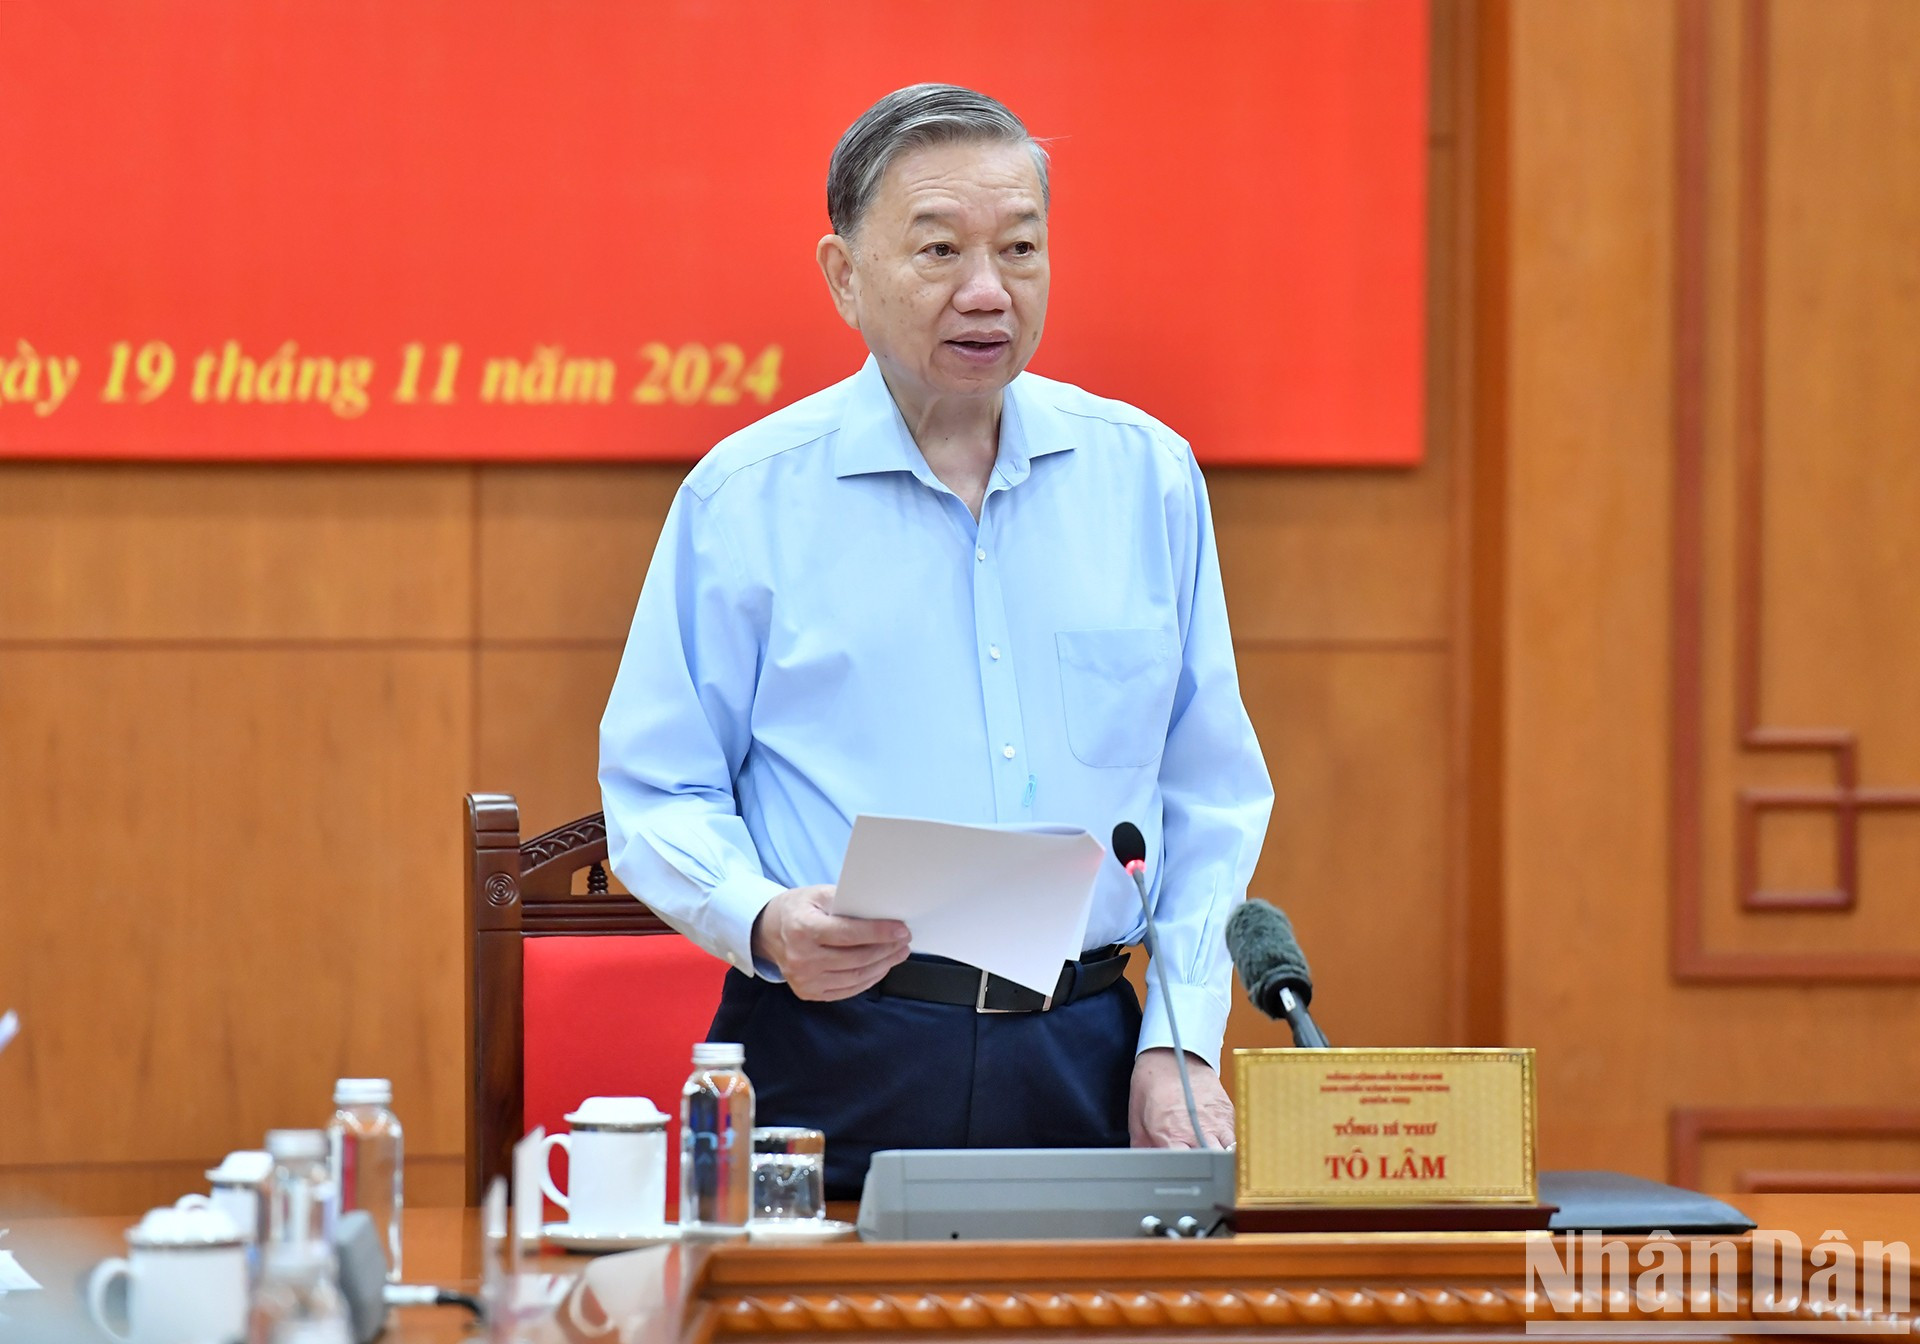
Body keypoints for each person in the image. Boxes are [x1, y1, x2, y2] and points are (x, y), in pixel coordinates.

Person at [600, 83, 1272, 1198]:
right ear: (843, 275)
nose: (986, 291)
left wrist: (1182, 1037)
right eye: (939, 250)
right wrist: (762, 917)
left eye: (1020, 248)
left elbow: (1212, 793)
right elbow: (654, 788)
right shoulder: (747, 498)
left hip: (1088, 1051)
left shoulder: (1144, 476)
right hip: (836, 1047)